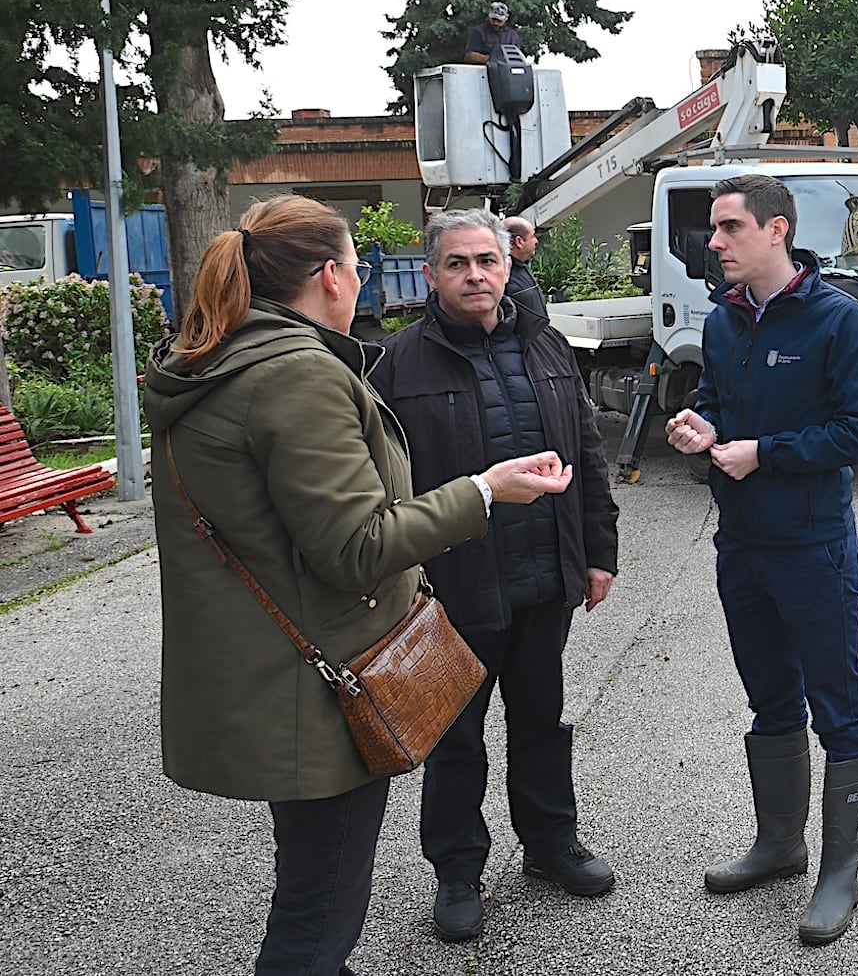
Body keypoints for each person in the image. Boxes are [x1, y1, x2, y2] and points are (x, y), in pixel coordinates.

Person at [144, 195, 575, 976]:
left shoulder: (223, 359)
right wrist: (481, 491)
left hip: (272, 670)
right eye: (354, 263)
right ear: (330, 276)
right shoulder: (297, 375)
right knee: (315, 922)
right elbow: (355, 546)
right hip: (316, 689)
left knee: (315, 893)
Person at [368, 210, 621, 942]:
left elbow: (587, 454)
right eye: (457, 263)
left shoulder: (546, 344)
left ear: (507, 266)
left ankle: (550, 844)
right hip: (456, 585)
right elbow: (385, 486)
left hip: (545, 578)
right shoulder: (398, 365)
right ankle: (457, 871)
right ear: (431, 274)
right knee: (456, 735)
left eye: (486, 260)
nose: (475, 274)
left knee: (541, 719)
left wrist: (598, 552)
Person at [664, 174, 858, 946]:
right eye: (714, 230)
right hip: (743, 545)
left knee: (839, 706)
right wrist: (703, 424)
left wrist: (766, 452)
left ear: (776, 230)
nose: (714, 243)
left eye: (728, 228)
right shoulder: (724, 324)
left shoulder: (837, 320)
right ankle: (780, 844)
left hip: (814, 546)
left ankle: (838, 870)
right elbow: (726, 406)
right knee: (769, 698)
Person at [503, 215, 548, 316]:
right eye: (532, 236)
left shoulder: (519, 268)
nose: (536, 241)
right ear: (519, 241)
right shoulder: (506, 277)